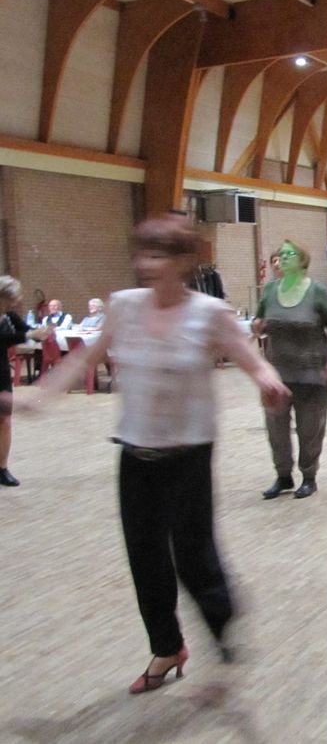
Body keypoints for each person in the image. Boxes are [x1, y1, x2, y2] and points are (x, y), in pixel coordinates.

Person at [24, 215, 289, 692]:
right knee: (145, 560)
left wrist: (267, 380)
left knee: (193, 558)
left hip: (189, 454)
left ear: (184, 261)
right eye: (142, 254)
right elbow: (86, 357)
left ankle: (222, 621)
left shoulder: (209, 311)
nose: (146, 264)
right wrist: (41, 395)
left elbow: (248, 356)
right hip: (135, 452)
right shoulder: (123, 306)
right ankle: (167, 647)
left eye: (159, 255)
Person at [256, 239, 327, 500]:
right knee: (276, 430)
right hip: (277, 375)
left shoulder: (318, 293)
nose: (281, 259)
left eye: (288, 255)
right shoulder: (270, 292)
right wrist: (256, 327)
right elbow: (261, 323)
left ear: (302, 262)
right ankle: (283, 476)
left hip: (312, 375)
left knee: (309, 430)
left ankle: (309, 476)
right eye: (279, 256)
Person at [0, 276, 53, 486]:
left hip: (1, 372)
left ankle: (2, 468)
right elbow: (3, 339)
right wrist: (30, 334)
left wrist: (42, 333)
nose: (18, 300)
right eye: (15, 296)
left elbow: (24, 331)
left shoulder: (9, 316)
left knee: (4, 421)